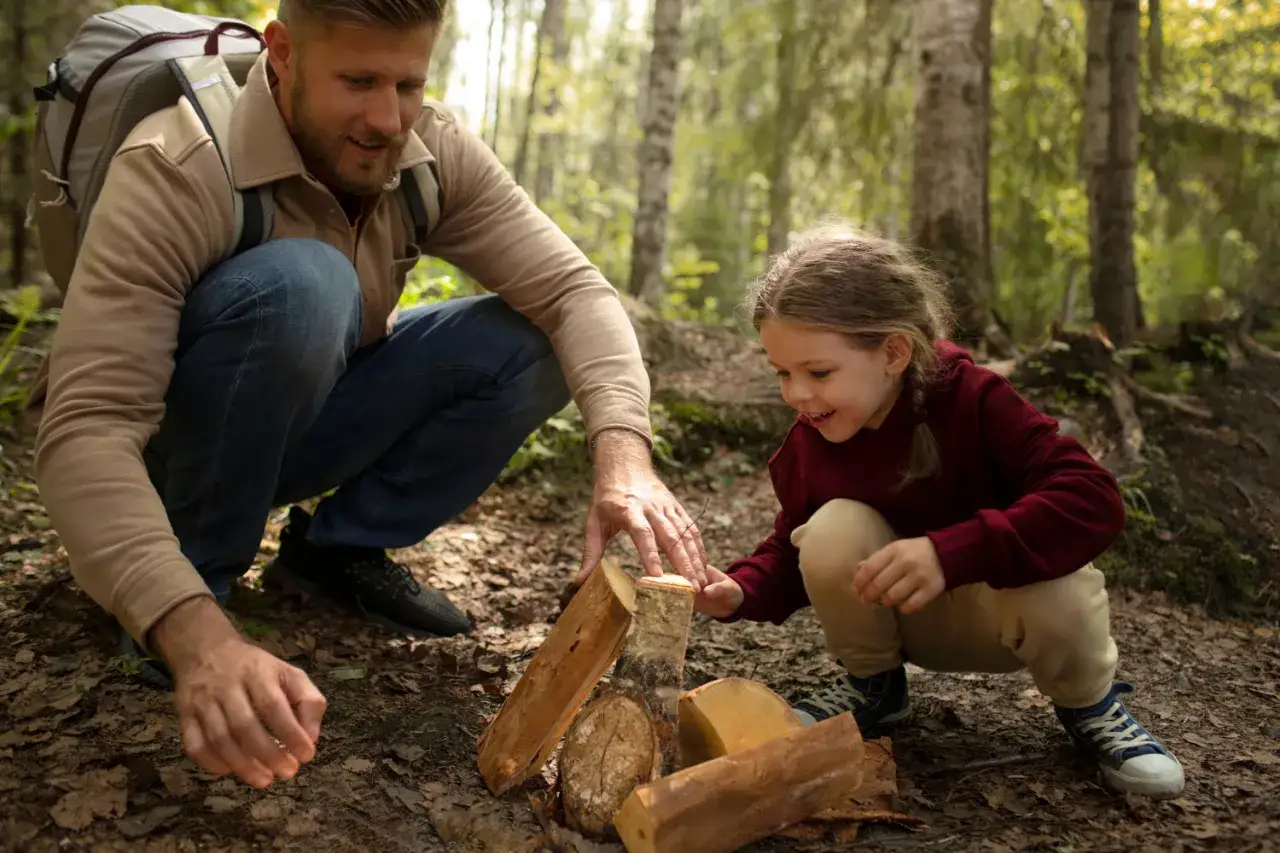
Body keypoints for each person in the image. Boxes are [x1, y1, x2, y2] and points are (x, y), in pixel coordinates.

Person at [32, 0, 708, 791]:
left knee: (531, 339)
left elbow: (575, 292)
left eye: (408, 84)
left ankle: (335, 551)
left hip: (297, 412)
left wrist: (624, 455)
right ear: (281, 53)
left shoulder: (429, 152)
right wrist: (196, 637)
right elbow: (87, 427)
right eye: (357, 81)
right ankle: (191, 579)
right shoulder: (177, 162)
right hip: (168, 450)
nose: (387, 118)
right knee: (305, 282)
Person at [689, 222, 1185, 800]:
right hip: (900, 619)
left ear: (894, 352)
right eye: (782, 373)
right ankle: (875, 689)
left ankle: (1089, 706)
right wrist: (741, 591)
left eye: (818, 372)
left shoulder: (973, 400)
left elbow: (1091, 497)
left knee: (1059, 580)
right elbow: (790, 543)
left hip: (1001, 613)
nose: (797, 395)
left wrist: (949, 553)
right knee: (830, 529)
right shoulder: (814, 436)